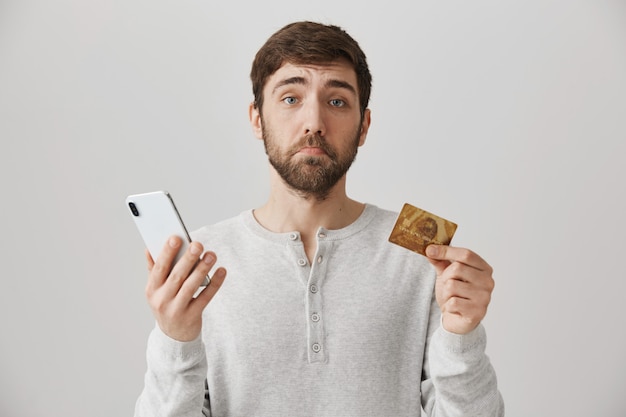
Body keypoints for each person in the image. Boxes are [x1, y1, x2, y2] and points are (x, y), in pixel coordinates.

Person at [134, 21, 504, 416]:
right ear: (257, 118)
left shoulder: (421, 256)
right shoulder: (202, 260)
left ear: (364, 126)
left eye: (338, 101)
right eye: (291, 99)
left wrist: (462, 339)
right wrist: (175, 342)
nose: (314, 123)